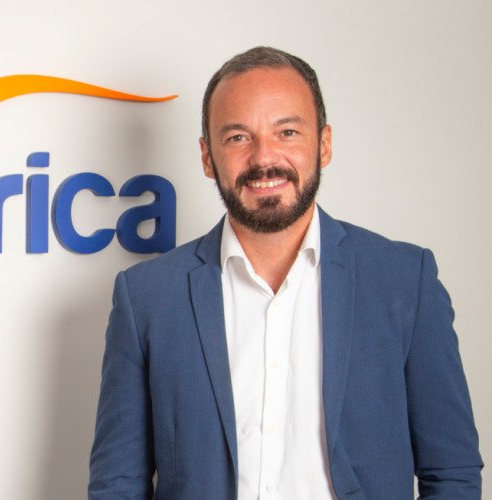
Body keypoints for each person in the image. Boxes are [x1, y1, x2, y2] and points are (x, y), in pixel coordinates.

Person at [88, 46, 482, 499]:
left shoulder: (405, 281)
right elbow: (117, 484)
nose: (264, 158)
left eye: (287, 132)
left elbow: (452, 472)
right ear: (207, 156)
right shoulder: (147, 298)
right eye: (238, 137)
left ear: (324, 144)